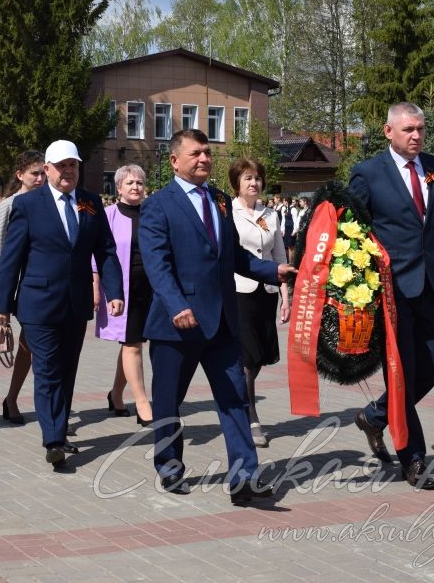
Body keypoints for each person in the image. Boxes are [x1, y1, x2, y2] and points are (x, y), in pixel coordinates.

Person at [138, 129, 293, 507]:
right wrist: (177, 305)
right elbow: (157, 264)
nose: (204, 159)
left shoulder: (221, 201)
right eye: (195, 154)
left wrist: (274, 272)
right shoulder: (159, 205)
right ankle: (170, 466)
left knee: (235, 398)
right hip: (177, 324)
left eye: (207, 153)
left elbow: (234, 258)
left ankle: (243, 478)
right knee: (168, 399)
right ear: (175, 161)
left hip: (223, 322)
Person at [348, 102, 434, 490]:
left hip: (430, 287)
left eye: (420, 129)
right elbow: (350, 235)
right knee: (401, 373)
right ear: (389, 132)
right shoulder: (368, 174)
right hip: (390, 291)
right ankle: (414, 460)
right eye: (408, 130)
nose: (417, 136)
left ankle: (375, 415)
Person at [0, 139, 123, 470]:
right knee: (48, 368)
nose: (68, 171)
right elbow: (11, 259)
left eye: (73, 165)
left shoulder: (90, 204)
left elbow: (105, 250)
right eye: (62, 165)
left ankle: (59, 431)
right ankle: (53, 439)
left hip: (76, 304)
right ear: (47, 169)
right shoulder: (28, 205)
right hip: (38, 303)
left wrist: (115, 291)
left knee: (66, 369)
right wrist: (1, 307)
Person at [229, 158, 289, 448]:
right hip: (239, 291)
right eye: (247, 179)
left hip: (266, 292)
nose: (253, 183)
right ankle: (250, 415)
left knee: (260, 355)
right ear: (236, 184)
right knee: (247, 357)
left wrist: (285, 294)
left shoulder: (271, 214)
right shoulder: (228, 211)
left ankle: (240, 403)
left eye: (257, 178)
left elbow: (279, 257)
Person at [93, 163, 154, 426]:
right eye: (129, 183)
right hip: (121, 289)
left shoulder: (152, 213)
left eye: (139, 182)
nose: (135, 187)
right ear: (118, 187)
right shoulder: (107, 215)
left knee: (133, 343)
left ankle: (116, 394)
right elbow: (96, 254)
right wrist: (96, 287)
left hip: (150, 288)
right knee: (131, 344)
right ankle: (142, 402)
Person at [0, 150, 46, 424]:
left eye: (42, 173)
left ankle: (23, 401)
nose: (39, 178)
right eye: (33, 173)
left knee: (33, 348)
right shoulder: (10, 204)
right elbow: (2, 253)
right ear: (20, 175)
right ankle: (18, 399)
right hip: (20, 286)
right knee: (31, 349)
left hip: (45, 288)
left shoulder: (52, 201)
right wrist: (0, 300)